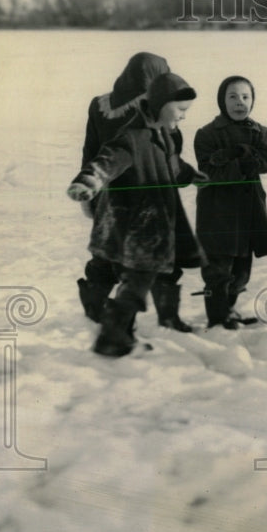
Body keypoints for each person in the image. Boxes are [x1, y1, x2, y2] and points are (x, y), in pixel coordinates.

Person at [67, 72, 205, 357]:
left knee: (137, 280)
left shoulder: (162, 137)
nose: (183, 117)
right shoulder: (131, 138)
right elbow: (107, 160)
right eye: (180, 110)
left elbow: (173, 165)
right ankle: (112, 336)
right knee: (138, 281)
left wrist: (191, 174)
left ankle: (121, 333)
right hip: (136, 227)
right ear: (160, 105)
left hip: (153, 227)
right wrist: (88, 182)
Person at [194, 75, 267, 329]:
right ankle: (218, 317)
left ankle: (229, 309)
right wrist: (240, 161)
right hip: (217, 210)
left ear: (252, 101)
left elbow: (266, 163)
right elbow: (210, 172)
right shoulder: (207, 134)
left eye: (245, 97)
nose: (239, 102)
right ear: (222, 101)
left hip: (249, 210)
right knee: (218, 268)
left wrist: (244, 153)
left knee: (242, 271)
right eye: (232, 96)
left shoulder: (260, 132)